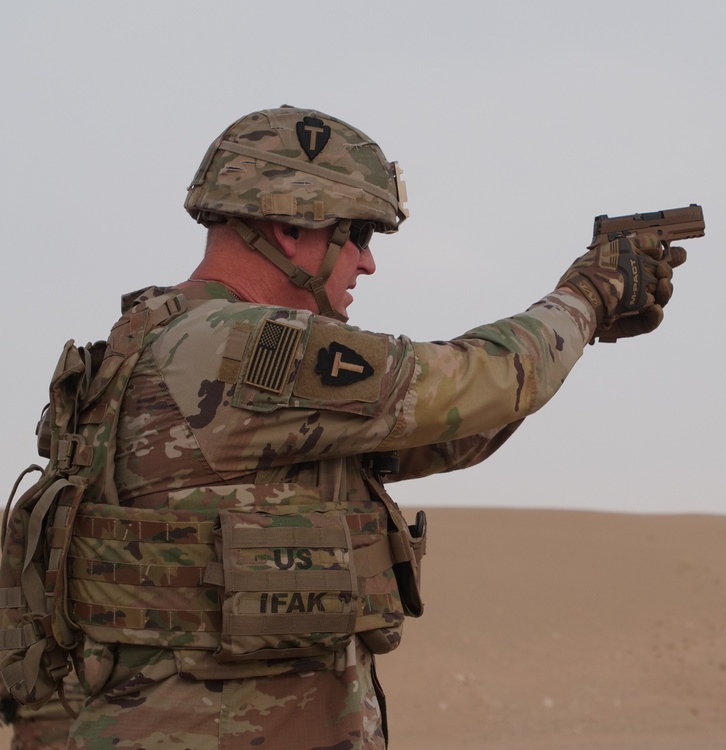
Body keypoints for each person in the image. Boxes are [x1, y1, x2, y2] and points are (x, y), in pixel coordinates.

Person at [0, 105, 685, 749]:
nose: (366, 260)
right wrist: (586, 297)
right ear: (289, 228)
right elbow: (486, 381)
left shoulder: (163, 338)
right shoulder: (236, 347)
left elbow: (448, 428)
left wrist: (584, 331)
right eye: (354, 234)